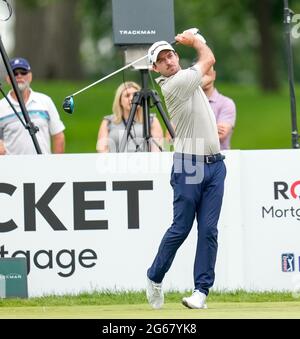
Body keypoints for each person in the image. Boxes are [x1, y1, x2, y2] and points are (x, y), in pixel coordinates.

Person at [146, 30, 226, 309]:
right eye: (162, 59)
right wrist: (195, 39)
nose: (168, 60)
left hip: (216, 165)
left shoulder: (189, 79)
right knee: (181, 228)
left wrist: (198, 39)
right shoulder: (173, 84)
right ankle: (154, 277)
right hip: (188, 164)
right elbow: (209, 57)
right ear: (155, 69)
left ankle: (201, 291)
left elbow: (208, 66)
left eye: (171, 54)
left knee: (209, 230)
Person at [0, 57, 65, 155]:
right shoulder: (1, 106)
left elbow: (58, 137)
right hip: (12, 168)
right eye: (14, 73)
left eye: (23, 72)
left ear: (30, 76)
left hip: (42, 166)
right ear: (8, 78)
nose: (19, 76)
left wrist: (55, 166)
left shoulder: (45, 101)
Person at [96, 81, 163, 152]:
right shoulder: (108, 121)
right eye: (127, 95)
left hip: (143, 162)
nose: (131, 98)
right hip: (116, 162)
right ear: (119, 101)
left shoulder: (151, 120)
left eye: (135, 95)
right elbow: (102, 150)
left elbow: (157, 149)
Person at [202, 67, 236, 150]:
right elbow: (170, 139)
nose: (205, 78)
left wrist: (187, 134)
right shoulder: (184, 103)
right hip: (190, 161)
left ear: (214, 75)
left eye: (207, 73)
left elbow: (220, 136)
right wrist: (212, 129)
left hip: (220, 160)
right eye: (201, 74)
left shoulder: (226, 103)